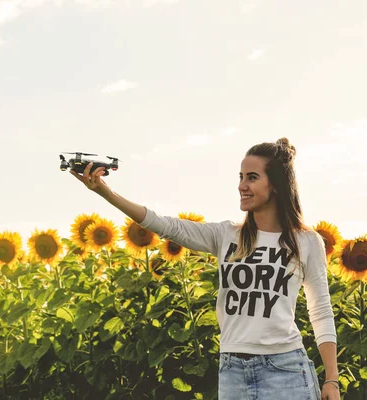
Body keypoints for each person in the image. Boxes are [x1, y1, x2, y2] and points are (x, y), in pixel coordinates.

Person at [71, 137, 340, 400]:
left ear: (277, 186)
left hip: (285, 370)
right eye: (240, 177)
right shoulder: (226, 235)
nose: (241, 186)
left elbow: (321, 311)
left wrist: (332, 380)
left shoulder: (305, 242)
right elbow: (163, 224)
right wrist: (104, 192)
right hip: (233, 370)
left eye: (252, 177)